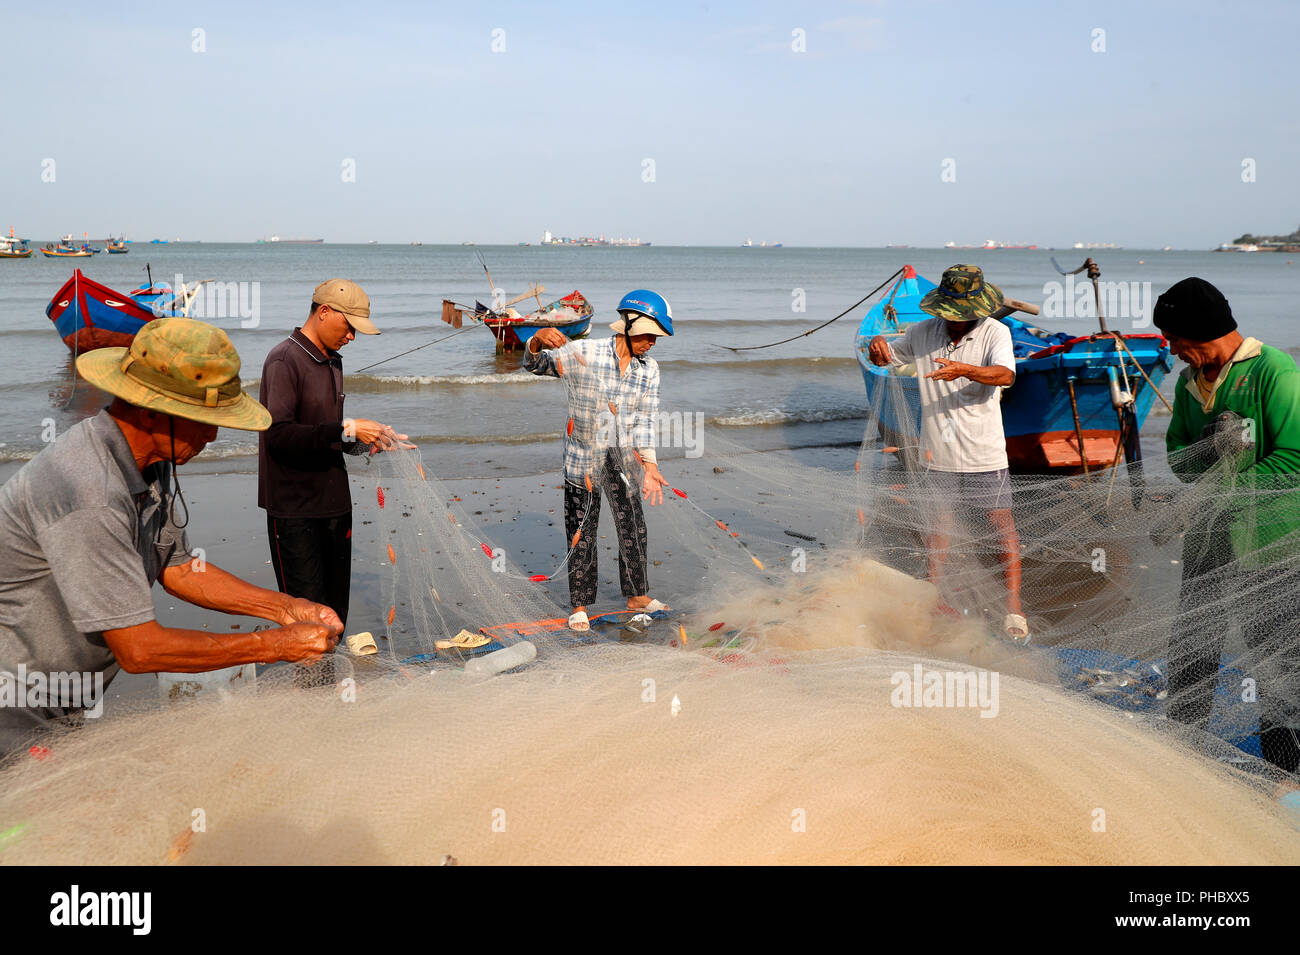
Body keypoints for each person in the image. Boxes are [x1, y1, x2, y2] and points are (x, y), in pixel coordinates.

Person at [0, 319, 343, 758]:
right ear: (150, 411)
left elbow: (178, 567)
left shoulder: (148, 459)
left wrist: (286, 608)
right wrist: (273, 646)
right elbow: (139, 650)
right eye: (203, 420)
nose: (214, 434)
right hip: (16, 707)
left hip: (65, 698)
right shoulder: (91, 491)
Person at [1156, 276, 1300, 773]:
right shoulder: (1188, 383)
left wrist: (1229, 487)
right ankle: (1182, 745)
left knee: (1277, 654)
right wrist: (1207, 462)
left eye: (1174, 340)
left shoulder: (1273, 371)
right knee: (1192, 642)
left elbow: (1296, 459)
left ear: (1199, 334)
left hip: (1271, 540)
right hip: (1208, 540)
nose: (1169, 349)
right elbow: (1177, 452)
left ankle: (1285, 764)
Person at [867, 264, 1026, 641]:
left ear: (979, 310)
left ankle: (1015, 606)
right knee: (937, 527)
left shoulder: (995, 333)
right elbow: (888, 359)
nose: (954, 322)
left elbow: (1005, 375)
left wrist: (966, 370)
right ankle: (933, 594)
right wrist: (877, 351)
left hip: (984, 454)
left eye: (962, 316)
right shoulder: (923, 332)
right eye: (949, 315)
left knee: (1003, 527)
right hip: (936, 454)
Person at [258, 279, 411, 628]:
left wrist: (370, 442)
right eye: (350, 327)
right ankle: (312, 681)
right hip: (295, 510)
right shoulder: (283, 360)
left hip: (335, 505)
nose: (352, 338)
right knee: (308, 620)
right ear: (324, 311)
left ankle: (327, 680)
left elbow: (326, 433)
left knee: (335, 616)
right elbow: (278, 435)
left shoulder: (332, 362)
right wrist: (349, 428)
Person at [524, 290, 674, 631]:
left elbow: (645, 420)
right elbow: (537, 365)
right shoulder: (585, 352)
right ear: (629, 324)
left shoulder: (649, 370)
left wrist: (650, 467)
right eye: (649, 334)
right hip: (583, 457)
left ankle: (637, 595)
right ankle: (579, 604)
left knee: (633, 526)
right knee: (582, 529)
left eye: (656, 337)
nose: (652, 343)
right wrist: (535, 340)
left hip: (624, 458)